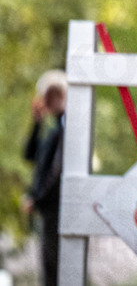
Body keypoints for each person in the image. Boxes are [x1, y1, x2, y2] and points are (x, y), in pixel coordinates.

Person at [22, 69, 67, 286]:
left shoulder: (66, 129)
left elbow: (57, 173)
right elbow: (30, 154)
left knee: (55, 268)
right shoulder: (53, 132)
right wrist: (37, 122)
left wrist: (36, 198)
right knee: (50, 268)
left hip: (57, 210)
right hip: (49, 211)